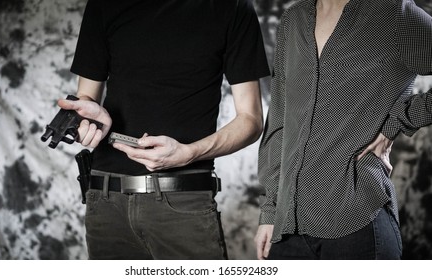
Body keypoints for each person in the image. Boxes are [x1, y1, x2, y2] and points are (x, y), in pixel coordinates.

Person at [57, 0, 269, 260]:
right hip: (106, 202)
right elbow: (86, 98)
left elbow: (251, 119)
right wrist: (86, 116)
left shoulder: (233, 7)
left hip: (181, 203)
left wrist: (189, 152)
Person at [255, 0, 432, 260]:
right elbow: (280, 120)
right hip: (288, 232)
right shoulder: (293, 20)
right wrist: (270, 210)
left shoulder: (392, 12)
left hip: (355, 223)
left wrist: (398, 121)